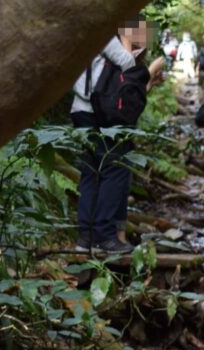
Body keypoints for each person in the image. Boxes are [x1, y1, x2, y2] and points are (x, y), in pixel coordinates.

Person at [71, 16, 165, 253]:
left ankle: (87, 237)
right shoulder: (106, 37)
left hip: (86, 112)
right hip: (97, 115)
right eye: (139, 30)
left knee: (92, 171)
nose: (143, 36)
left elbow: (124, 89)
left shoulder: (101, 37)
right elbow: (127, 66)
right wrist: (149, 66)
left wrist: (148, 80)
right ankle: (104, 236)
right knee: (114, 170)